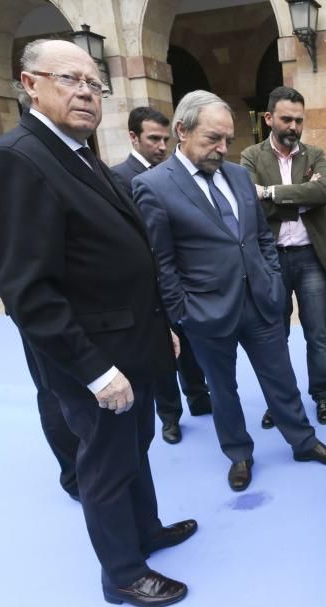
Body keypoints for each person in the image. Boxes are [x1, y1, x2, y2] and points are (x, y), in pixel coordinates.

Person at [0, 39, 195, 607]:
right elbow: (28, 289)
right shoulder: (15, 158)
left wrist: (159, 326)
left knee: (135, 447)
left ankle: (146, 531)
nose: (85, 93)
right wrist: (95, 371)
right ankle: (122, 573)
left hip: (132, 340)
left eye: (94, 83)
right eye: (70, 79)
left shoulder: (75, 151)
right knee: (105, 462)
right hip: (94, 357)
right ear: (30, 84)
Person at [133, 90, 326, 494]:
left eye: (227, 141)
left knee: (281, 377)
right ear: (182, 130)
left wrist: (268, 275)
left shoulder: (237, 176)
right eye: (212, 139)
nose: (222, 149)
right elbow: (161, 262)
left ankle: (303, 442)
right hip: (205, 312)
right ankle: (239, 454)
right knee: (223, 389)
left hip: (260, 300)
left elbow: (258, 236)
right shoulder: (153, 186)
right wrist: (182, 313)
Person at [0, 190, 81, 500]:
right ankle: (75, 476)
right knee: (53, 390)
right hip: (35, 306)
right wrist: (18, 295)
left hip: (81, 302)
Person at [240, 86, 326, 427]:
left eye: (299, 120)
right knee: (275, 334)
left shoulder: (314, 154)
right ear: (269, 118)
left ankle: (322, 395)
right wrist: (300, 196)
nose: (293, 127)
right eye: (286, 119)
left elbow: (322, 191)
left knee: (318, 333)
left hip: (311, 257)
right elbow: (248, 202)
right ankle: (280, 399)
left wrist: (271, 193)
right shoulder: (251, 157)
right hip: (271, 260)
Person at [111, 106, 212, 445]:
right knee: (163, 353)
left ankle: (199, 397)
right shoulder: (117, 178)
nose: (161, 145)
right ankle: (169, 416)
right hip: (146, 287)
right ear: (133, 137)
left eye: (165, 139)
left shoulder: (177, 174)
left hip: (182, 278)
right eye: (153, 138)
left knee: (192, 344)